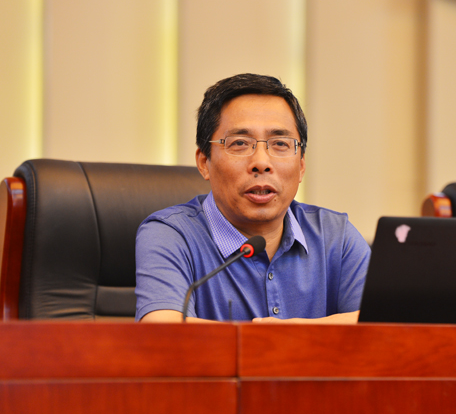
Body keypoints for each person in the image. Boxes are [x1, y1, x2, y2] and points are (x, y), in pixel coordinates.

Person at [135, 73, 371, 323]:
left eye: (280, 143)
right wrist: (266, 338)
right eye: (239, 143)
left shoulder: (335, 237)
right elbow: (164, 329)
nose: (261, 162)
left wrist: (291, 333)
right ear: (204, 162)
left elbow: (387, 325)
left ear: (301, 166)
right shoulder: (171, 234)